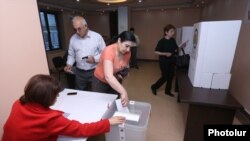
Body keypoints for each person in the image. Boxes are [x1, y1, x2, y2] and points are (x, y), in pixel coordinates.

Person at [2, 74, 125, 141]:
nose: (58, 96)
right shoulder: (50, 120)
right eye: (56, 94)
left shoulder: (18, 103)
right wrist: (107, 122)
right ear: (46, 98)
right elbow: (82, 130)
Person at [92, 31, 136, 106]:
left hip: (114, 81)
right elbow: (108, 76)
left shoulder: (128, 53)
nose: (128, 50)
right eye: (126, 46)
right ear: (119, 41)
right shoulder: (108, 51)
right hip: (100, 82)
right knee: (99, 106)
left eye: (130, 47)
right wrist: (123, 91)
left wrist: (122, 73)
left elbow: (124, 66)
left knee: (114, 104)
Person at [64, 16, 106, 91]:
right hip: (79, 72)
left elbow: (105, 54)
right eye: (75, 29)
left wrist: (94, 59)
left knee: (95, 92)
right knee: (80, 92)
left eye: (79, 29)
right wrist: (69, 64)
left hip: (94, 71)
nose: (77, 32)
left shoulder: (97, 37)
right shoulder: (73, 38)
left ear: (85, 26)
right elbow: (71, 54)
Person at [151, 24, 186, 97]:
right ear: (166, 32)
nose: (173, 33)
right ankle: (154, 87)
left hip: (172, 61)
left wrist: (181, 46)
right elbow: (156, 51)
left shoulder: (173, 40)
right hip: (164, 62)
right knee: (165, 76)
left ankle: (167, 91)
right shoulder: (161, 41)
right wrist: (165, 53)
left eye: (173, 31)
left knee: (171, 76)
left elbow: (175, 50)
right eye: (171, 31)